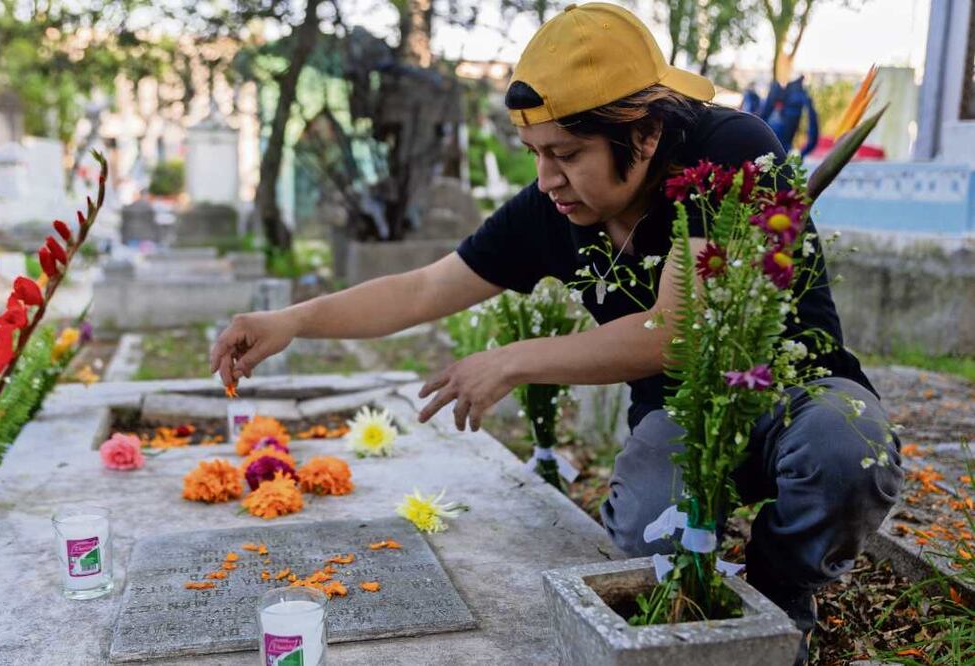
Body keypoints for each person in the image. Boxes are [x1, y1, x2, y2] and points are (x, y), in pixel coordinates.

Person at [210, 4, 901, 662]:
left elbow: (676, 330)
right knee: (641, 545)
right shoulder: (553, 207)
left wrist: (513, 360)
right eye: (536, 153)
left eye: (566, 153)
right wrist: (294, 319)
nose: (546, 179)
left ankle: (783, 600)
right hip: (680, 415)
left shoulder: (729, 149)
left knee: (847, 451)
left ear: (646, 133)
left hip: (796, 392)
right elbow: (425, 287)